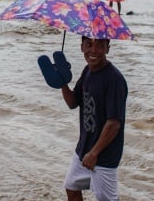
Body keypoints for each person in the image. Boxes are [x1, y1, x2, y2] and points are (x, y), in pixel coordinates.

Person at [61, 36, 127, 201]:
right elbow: (72, 102)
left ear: (108, 48)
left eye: (99, 45)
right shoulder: (87, 71)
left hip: (104, 155)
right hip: (84, 148)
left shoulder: (114, 79)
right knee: (71, 187)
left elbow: (114, 123)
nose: (93, 50)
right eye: (89, 44)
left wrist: (94, 153)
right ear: (81, 46)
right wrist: (61, 82)